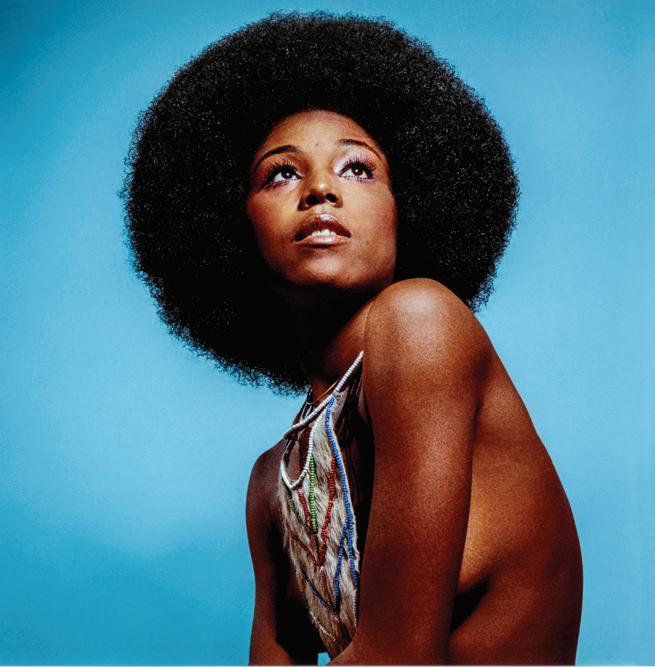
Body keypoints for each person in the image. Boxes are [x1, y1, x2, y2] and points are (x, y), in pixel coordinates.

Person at [123, 12, 583, 665]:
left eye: (357, 169)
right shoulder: (272, 481)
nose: (319, 190)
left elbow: (399, 657)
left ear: (406, 208)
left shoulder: (421, 321)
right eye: (281, 174)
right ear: (232, 227)